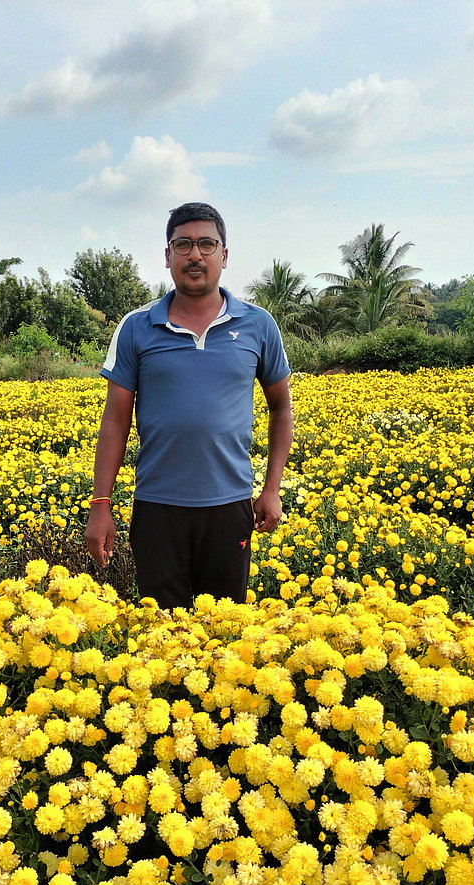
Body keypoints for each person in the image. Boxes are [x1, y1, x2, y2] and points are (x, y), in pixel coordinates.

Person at [85, 201, 294, 609]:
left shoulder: (258, 325)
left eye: (206, 244)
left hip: (230, 506)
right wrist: (100, 504)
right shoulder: (136, 326)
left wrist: (272, 489)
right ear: (167, 256)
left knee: (226, 628)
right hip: (157, 507)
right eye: (183, 244)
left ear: (224, 255)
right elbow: (115, 421)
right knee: (160, 629)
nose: (195, 255)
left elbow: (281, 409)